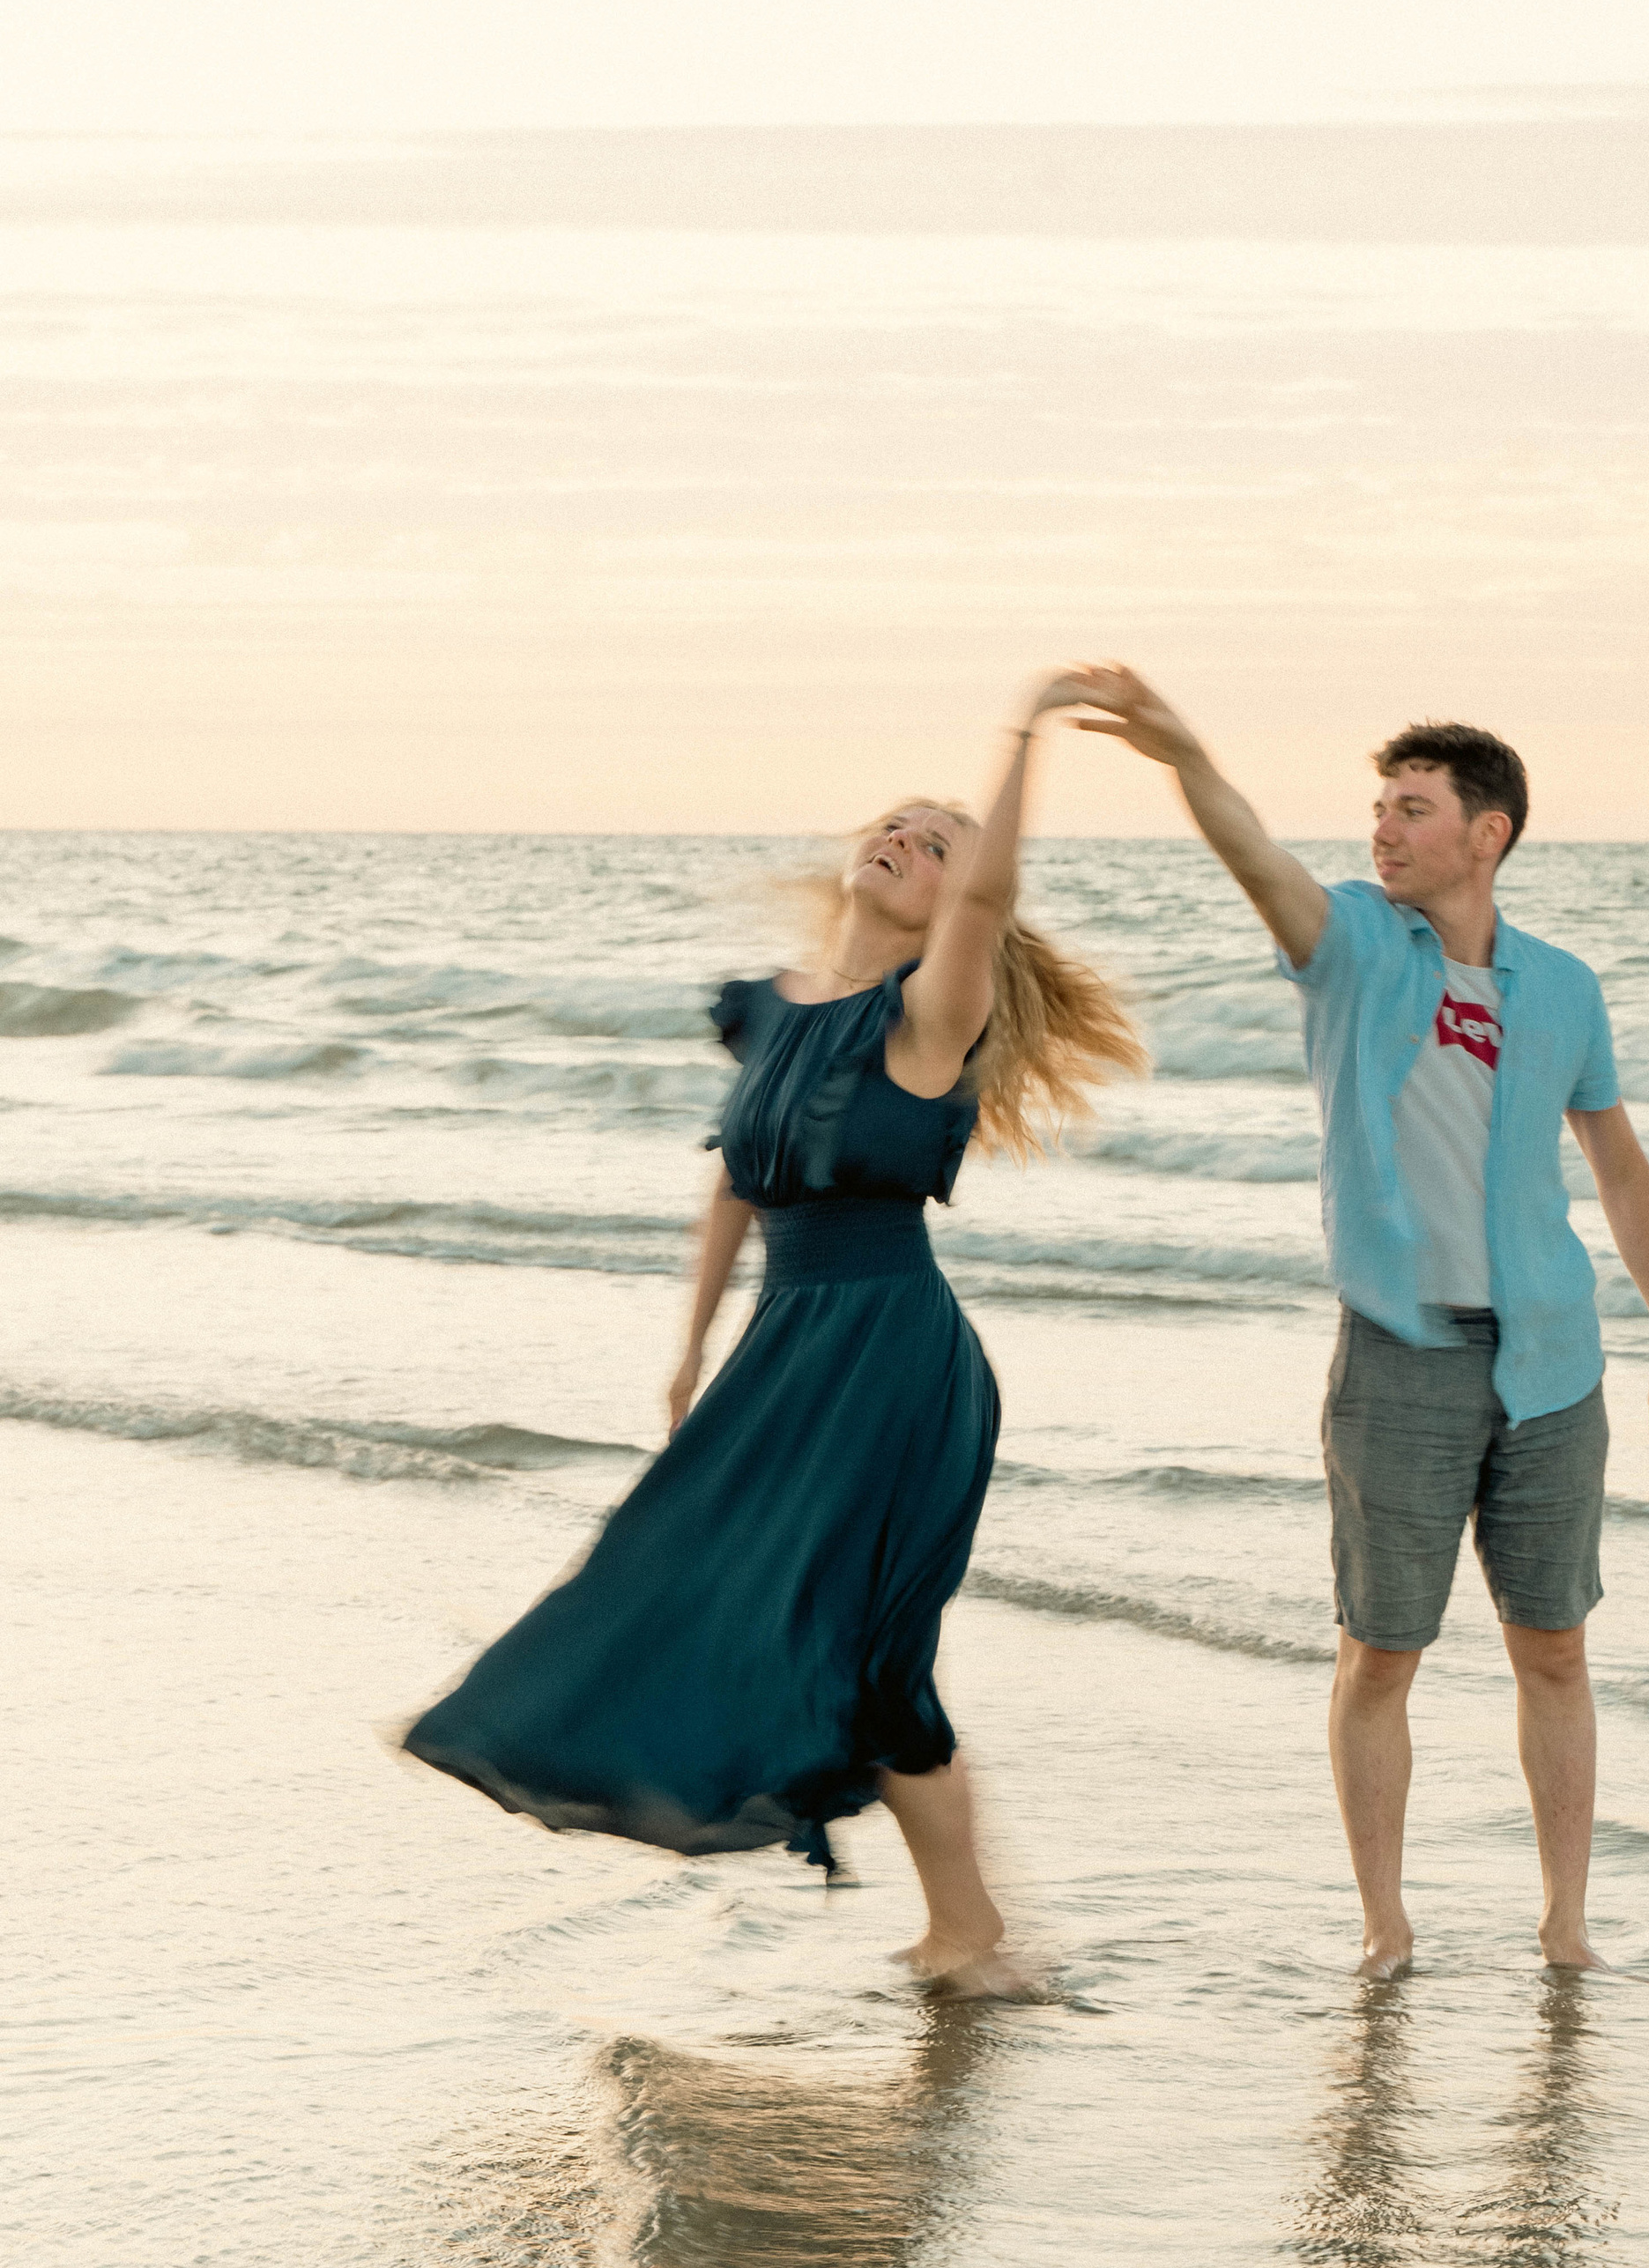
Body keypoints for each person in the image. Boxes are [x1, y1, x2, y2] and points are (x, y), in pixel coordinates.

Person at [402, 677, 1140, 1992]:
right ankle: (971, 1936)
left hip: (893, 1356)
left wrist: (1022, 736)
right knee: (690, 1570)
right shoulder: (768, 1010)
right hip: (789, 1348)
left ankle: (974, 1936)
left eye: (940, 842)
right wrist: (689, 1347)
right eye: (897, 823)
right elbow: (738, 1178)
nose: (907, 840)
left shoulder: (932, 1013)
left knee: (864, 1642)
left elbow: (983, 899)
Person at [1065, 665, 1649, 1975]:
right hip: (1399, 1353)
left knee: (1557, 1651)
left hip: (1550, 1362)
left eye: (1413, 808)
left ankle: (1567, 1928)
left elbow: (1621, 1170)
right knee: (1380, 1655)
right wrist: (1185, 752)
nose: (1385, 829)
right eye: (1380, 807)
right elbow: (1257, 859)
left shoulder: (1565, 988)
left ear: (1489, 833)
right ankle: (1385, 1926)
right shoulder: (1352, 945)